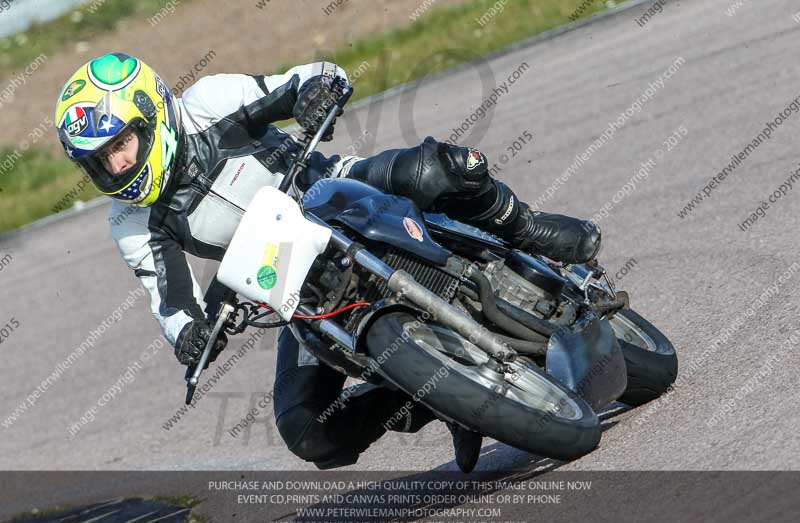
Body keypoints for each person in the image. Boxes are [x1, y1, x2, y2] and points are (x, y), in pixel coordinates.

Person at [54, 53, 601, 473]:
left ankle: (526, 228)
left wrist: (316, 92)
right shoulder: (131, 222)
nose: (117, 164)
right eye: (100, 160)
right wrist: (189, 336)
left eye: (122, 143)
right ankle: (439, 396)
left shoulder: (207, 103)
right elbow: (168, 299)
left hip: (336, 190)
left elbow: (303, 79)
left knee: (448, 168)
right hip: (293, 280)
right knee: (308, 431)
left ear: (153, 116)